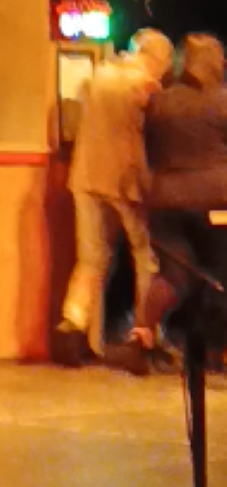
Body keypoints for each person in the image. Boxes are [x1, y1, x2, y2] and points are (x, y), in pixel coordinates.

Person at [54, 28, 173, 365]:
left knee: (90, 259)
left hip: (85, 177)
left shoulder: (97, 77)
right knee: (145, 257)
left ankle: (75, 328)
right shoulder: (145, 87)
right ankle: (145, 335)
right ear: (157, 58)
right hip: (126, 183)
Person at [115, 34, 227, 373]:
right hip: (217, 201)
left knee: (172, 275)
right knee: (220, 272)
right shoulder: (222, 102)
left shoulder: (160, 103)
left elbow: (146, 147)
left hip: (165, 201)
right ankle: (219, 348)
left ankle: (141, 335)